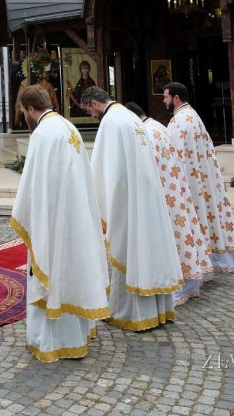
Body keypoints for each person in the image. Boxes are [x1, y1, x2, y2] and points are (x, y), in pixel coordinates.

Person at [12, 85, 109, 362]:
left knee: (54, 272)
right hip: (76, 218)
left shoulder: (43, 133)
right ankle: (76, 335)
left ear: (30, 109)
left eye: (23, 111)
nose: (24, 116)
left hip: (53, 223)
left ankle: (51, 342)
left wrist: (29, 215)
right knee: (73, 271)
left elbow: (33, 187)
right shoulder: (68, 127)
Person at [80, 86, 181, 331]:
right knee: (148, 250)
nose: (92, 116)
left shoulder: (110, 122)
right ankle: (159, 311)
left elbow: (106, 172)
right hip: (147, 197)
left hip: (127, 201)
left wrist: (98, 201)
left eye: (88, 110)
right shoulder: (130, 117)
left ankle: (129, 313)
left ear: (94, 102)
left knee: (130, 250)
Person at [125, 102, 212, 303]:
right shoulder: (156, 125)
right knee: (182, 235)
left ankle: (178, 283)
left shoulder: (145, 133)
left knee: (173, 239)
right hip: (176, 191)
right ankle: (189, 280)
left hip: (165, 194)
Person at [164, 82, 234, 273]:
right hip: (203, 177)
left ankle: (199, 260)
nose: (163, 100)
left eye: (166, 97)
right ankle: (216, 256)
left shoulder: (178, 121)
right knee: (207, 213)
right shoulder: (194, 116)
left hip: (189, 180)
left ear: (175, 98)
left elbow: (172, 154)